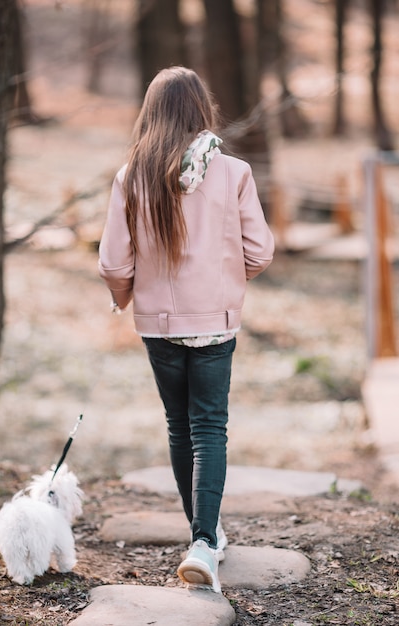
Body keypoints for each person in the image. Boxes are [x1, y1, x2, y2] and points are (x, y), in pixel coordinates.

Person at [98, 66, 274, 593]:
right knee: (209, 427)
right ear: (203, 109)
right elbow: (260, 250)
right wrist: (227, 279)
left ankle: (204, 534)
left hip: (159, 323)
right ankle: (204, 540)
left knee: (180, 427)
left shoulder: (133, 175)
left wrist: (125, 299)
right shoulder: (233, 171)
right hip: (216, 323)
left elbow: (113, 262)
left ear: (151, 112)